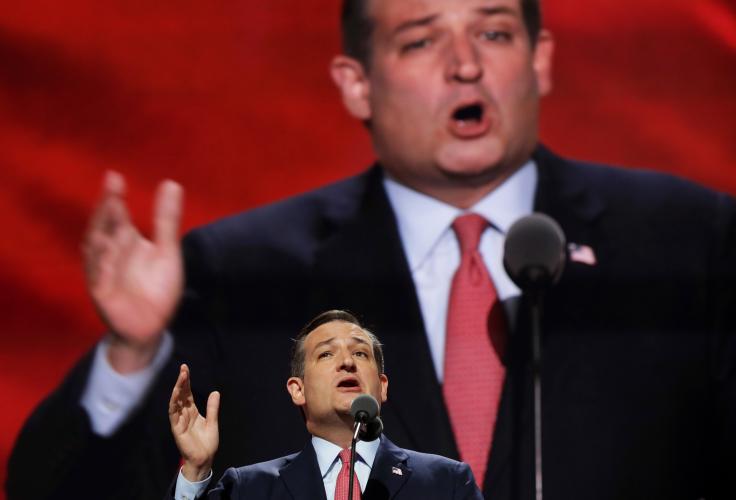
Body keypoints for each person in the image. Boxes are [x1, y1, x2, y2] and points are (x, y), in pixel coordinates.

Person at [7, 0, 735, 498]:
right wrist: (129, 358)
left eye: (495, 32)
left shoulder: (688, 243)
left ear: (540, 59)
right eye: (420, 40)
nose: (465, 65)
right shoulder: (242, 272)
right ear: (356, 84)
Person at [167, 310, 483, 499]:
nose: (347, 362)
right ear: (297, 390)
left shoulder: (447, 483)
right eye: (326, 354)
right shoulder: (249, 489)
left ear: (382, 387)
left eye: (361, 354)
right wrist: (195, 470)